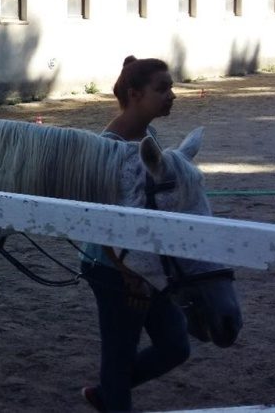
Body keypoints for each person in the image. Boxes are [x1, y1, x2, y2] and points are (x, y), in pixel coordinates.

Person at [80, 56, 186, 412]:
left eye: (170, 87)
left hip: (147, 264)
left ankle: (107, 392)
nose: (171, 95)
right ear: (135, 94)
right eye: (162, 88)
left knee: (175, 345)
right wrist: (129, 274)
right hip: (113, 268)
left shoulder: (148, 136)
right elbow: (99, 220)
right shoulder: (108, 146)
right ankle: (112, 393)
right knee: (119, 356)